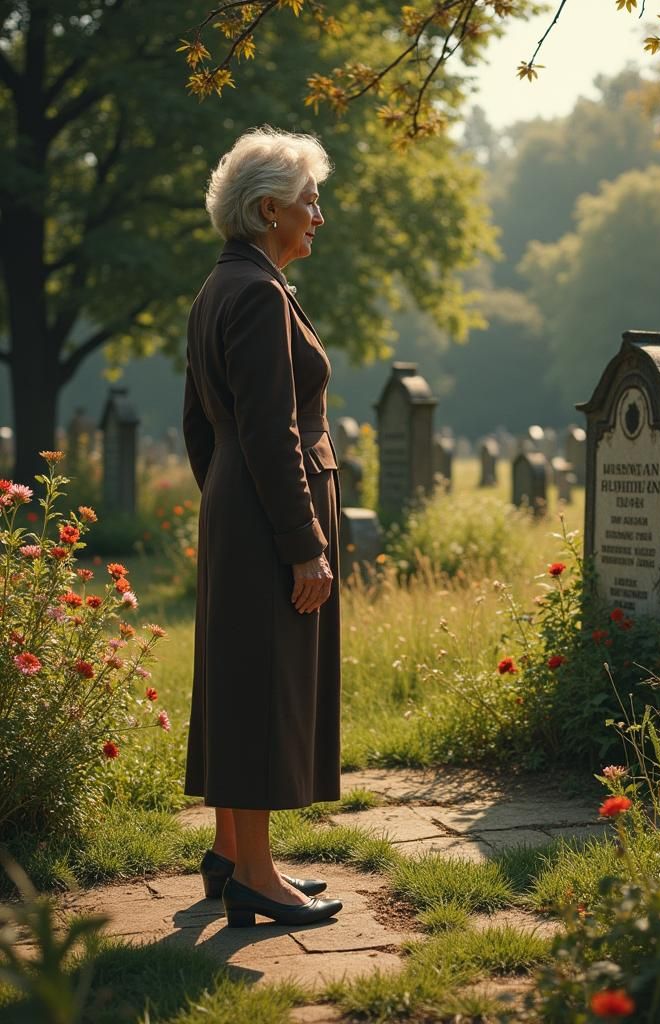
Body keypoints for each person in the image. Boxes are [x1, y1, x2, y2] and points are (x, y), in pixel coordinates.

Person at [182, 127, 342, 928]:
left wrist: (223, 501)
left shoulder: (224, 285)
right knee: (263, 687)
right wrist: (303, 543)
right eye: (310, 202)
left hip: (236, 508)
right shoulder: (253, 292)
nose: (319, 216)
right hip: (268, 514)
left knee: (240, 681)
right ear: (269, 207)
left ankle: (229, 855)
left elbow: (199, 431)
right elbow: (272, 431)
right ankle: (257, 876)